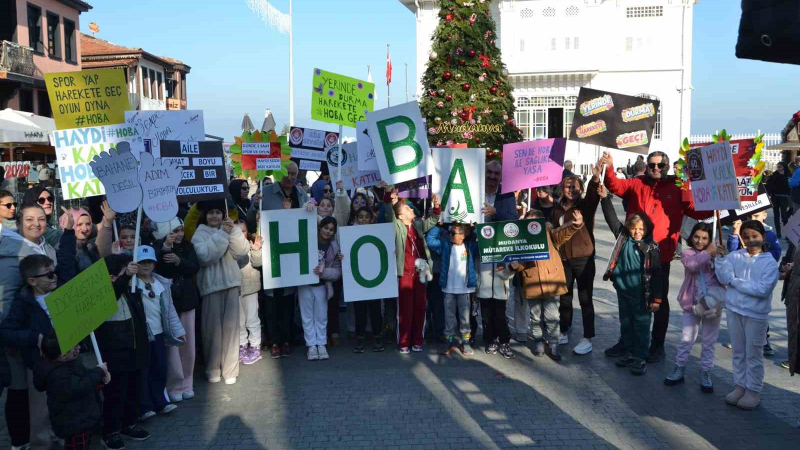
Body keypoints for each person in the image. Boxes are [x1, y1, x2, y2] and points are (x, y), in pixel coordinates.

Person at [601, 150, 710, 363]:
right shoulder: (636, 183)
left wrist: (716, 202)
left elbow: (698, 211)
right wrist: (610, 166)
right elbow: (614, 185)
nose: (656, 169)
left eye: (660, 165)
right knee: (628, 299)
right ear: (647, 165)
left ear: (667, 166)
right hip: (633, 251)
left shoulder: (678, 187)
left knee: (659, 300)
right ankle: (626, 342)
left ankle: (657, 345)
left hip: (660, 256)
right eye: (652, 165)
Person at [0, 204, 76, 450]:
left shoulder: (47, 245)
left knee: (53, 395)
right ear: (19, 222)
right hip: (26, 342)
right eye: (30, 219)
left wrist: (69, 234)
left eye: (41, 219)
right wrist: (15, 339)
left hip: (55, 341)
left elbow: (63, 269)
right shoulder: (10, 254)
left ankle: (59, 436)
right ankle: (24, 442)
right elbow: (6, 299)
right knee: (25, 394)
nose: (36, 224)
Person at [248, 162, 310, 359]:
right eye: (286, 173)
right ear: (279, 173)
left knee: (288, 300)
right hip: (271, 253)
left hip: (292, 253)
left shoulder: (301, 194)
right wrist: (254, 206)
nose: (290, 177)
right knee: (271, 300)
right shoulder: (265, 192)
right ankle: (274, 340)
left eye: (293, 174)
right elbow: (251, 220)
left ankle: (286, 339)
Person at [715, 220, 779, 410]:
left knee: (753, 354)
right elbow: (724, 277)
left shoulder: (770, 263)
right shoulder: (735, 256)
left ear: (763, 237)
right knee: (738, 352)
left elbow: (762, 289)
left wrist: (735, 282)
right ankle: (740, 386)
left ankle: (753, 390)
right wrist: (719, 260)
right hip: (735, 311)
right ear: (741, 239)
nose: (750, 240)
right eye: (746, 237)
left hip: (756, 315)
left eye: (754, 236)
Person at [600, 196, 663, 376]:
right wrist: (605, 198)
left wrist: (657, 299)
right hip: (624, 291)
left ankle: (640, 357)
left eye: (641, 229)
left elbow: (657, 275)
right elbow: (611, 218)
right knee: (626, 325)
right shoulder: (623, 239)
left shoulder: (651, 248)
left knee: (642, 327)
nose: (637, 232)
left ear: (647, 229)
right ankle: (628, 353)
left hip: (642, 295)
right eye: (634, 228)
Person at [95, 255, 152, 450]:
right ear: (111, 278)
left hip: (134, 351)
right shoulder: (104, 296)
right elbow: (113, 293)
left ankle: (130, 423)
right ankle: (110, 432)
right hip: (114, 356)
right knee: (115, 395)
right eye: (125, 273)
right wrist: (125, 278)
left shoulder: (130, 293)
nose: (131, 276)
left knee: (134, 391)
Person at [512, 209, 583, 361]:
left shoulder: (550, 235)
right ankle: (538, 342)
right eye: (528, 223)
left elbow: (564, 233)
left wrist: (575, 224)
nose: (531, 226)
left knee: (553, 317)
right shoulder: (523, 240)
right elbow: (520, 266)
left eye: (534, 223)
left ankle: (553, 344)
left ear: (541, 223)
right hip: (532, 284)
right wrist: (514, 264)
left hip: (552, 283)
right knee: (535, 318)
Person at [192, 199, 250, 384]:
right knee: (212, 332)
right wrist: (222, 234)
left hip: (232, 284)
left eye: (218, 212)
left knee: (232, 330)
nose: (215, 216)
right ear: (205, 215)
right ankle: (213, 368)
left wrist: (232, 231)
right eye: (211, 212)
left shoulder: (229, 228)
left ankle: (231, 370)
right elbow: (205, 256)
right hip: (210, 287)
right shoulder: (199, 234)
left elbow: (242, 251)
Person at [664, 223, 724, 392]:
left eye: (705, 238)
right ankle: (679, 368)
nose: (700, 241)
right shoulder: (687, 253)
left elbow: (726, 275)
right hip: (692, 304)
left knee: (709, 341)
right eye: (697, 237)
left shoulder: (715, 254)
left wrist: (719, 256)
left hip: (713, 305)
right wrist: (707, 252)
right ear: (691, 237)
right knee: (686, 338)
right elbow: (692, 265)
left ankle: (705, 372)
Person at [551, 165, 601, 355]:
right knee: (565, 297)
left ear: (580, 189)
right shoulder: (557, 208)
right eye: (567, 186)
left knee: (585, 299)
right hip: (563, 259)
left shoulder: (584, 206)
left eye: (575, 186)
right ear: (562, 188)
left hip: (583, 259)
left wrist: (595, 179)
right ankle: (564, 330)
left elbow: (593, 198)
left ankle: (587, 337)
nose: (571, 190)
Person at [33, 329, 109, 450]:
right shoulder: (57, 375)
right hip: (73, 422)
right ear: (63, 355)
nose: (78, 347)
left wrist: (99, 378)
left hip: (81, 418)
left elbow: (84, 377)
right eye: (74, 347)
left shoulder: (70, 362)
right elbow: (80, 386)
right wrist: (98, 372)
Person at [385, 190, 441, 353]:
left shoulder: (417, 225)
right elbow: (389, 211)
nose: (411, 210)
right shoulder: (397, 226)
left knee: (420, 307)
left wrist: (437, 206)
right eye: (407, 209)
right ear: (401, 216)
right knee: (405, 309)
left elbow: (434, 220)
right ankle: (403, 341)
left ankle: (417, 340)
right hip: (404, 274)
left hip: (421, 273)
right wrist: (389, 196)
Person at [133, 245, 185, 420]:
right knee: (144, 371)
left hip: (159, 333)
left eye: (149, 262)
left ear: (155, 264)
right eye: (142, 262)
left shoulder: (161, 283)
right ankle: (144, 406)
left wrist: (177, 330)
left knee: (160, 368)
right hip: (142, 335)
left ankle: (160, 402)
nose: (146, 265)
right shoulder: (132, 285)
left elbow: (169, 310)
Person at [154, 218, 200, 403]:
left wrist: (179, 261)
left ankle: (188, 383)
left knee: (188, 344)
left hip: (187, 301)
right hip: (169, 302)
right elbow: (156, 267)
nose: (179, 234)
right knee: (173, 346)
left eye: (181, 230)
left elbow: (194, 267)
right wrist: (166, 248)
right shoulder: (158, 246)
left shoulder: (188, 246)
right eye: (174, 231)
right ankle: (174, 385)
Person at [426, 223, 478, 355]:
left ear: (462, 235)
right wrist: (437, 225)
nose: (450, 234)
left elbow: (484, 240)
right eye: (450, 232)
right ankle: (448, 341)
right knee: (448, 317)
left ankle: (465, 342)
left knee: (465, 317)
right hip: (448, 288)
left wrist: (474, 227)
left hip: (465, 290)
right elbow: (430, 240)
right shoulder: (445, 246)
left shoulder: (470, 246)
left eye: (453, 233)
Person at [299, 216, 342, 361]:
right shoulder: (307, 238)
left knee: (322, 316)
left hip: (322, 285)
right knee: (307, 316)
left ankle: (321, 344)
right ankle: (311, 345)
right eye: (325, 228)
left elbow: (337, 272)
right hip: (304, 284)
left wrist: (323, 273)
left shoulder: (335, 247)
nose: (328, 231)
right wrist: (309, 204)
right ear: (319, 227)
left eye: (331, 230)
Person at [349, 207, 385, 353]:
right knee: (360, 312)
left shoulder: (378, 232)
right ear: (357, 218)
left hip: (374, 279)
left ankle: (377, 336)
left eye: (366, 217)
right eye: (361, 217)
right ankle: (360, 338)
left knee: (376, 311)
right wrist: (342, 256)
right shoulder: (350, 234)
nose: (363, 219)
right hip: (358, 280)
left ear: (371, 219)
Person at [235, 220, 264, 365]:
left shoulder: (251, 245)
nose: (240, 234)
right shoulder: (228, 247)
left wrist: (256, 250)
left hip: (251, 288)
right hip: (235, 289)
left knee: (252, 319)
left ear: (247, 232)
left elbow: (258, 263)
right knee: (239, 321)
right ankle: (242, 345)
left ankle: (255, 346)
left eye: (243, 231)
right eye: (237, 231)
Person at [767, 161, 792, 238]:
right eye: (777, 167)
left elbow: (788, 185)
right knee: (776, 215)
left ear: (784, 167)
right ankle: (778, 233)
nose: (778, 169)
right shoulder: (774, 174)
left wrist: (782, 176)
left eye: (780, 167)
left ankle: (787, 234)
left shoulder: (788, 174)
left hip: (784, 197)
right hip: (775, 197)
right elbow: (769, 184)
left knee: (784, 215)